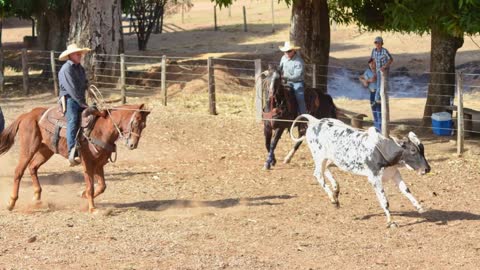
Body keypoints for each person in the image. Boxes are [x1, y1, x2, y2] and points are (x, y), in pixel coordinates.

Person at [58, 43, 91, 166]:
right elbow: (71, 89)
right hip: (69, 99)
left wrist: (88, 86)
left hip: (80, 98)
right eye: (77, 54)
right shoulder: (66, 69)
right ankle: (71, 152)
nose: (80, 55)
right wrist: (82, 103)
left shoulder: (80, 68)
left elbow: (84, 82)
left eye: (80, 53)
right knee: (73, 120)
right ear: (70, 55)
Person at [278, 41, 307, 115]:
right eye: (285, 51)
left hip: (296, 83)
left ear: (294, 51)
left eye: (289, 51)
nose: (286, 53)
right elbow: (279, 68)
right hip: (285, 82)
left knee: (300, 98)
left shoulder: (299, 61)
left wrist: (285, 77)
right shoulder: (283, 58)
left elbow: (297, 75)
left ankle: (303, 115)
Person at [359, 58, 381, 132]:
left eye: (373, 63)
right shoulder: (367, 72)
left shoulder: (379, 70)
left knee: (379, 111)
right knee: (374, 111)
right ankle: (376, 128)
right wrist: (367, 80)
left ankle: (380, 129)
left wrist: (368, 80)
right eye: (370, 63)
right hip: (372, 93)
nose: (372, 65)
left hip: (379, 93)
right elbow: (364, 83)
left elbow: (374, 79)